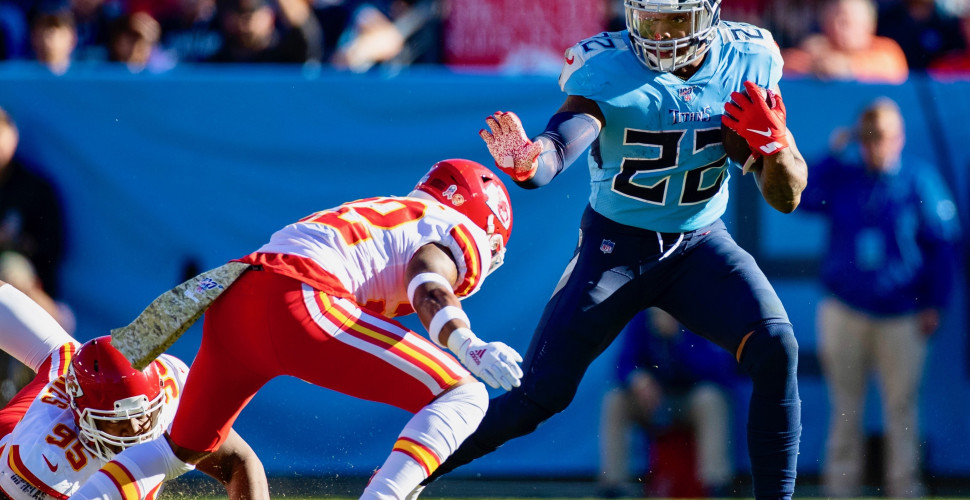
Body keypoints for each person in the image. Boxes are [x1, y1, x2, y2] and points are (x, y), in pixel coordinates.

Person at [417, 1, 809, 499]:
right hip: (615, 250)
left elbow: (787, 195)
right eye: (649, 19)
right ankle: (406, 471)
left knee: (776, 347)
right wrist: (527, 160)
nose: (660, 35)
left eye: (674, 20)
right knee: (536, 397)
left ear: (707, 17)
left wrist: (778, 148)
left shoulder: (748, 59)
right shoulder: (607, 68)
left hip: (700, 242)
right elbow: (555, 152)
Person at [66, 159, 523, 500]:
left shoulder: (396, 210)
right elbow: (428, 281)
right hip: (301, 297)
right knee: (464, 393)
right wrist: (467, 343)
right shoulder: (450, 229)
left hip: (236, 296)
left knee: (178, 452)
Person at [799, 98, 961, 498]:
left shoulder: (919, 180)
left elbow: (943, 247)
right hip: (845, 309)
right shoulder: (845, 176)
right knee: (845, 406)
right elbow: (801, 199)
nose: (876, 147)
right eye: (868, 138)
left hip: (902, 313)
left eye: (884, 138)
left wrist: (934, 304)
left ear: (899, 138)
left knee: (902, 408)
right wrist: (834, 154)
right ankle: (840, 489)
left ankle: (904, 487)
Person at [0, 279, 270, 499]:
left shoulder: (172, 393)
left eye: (144, 415)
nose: (137, 429)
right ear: (80, 414)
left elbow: (238, 463)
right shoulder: (43, 461)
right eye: (119, 423)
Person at [598, 308, 738, 498]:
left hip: (688, 401)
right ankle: (614, 485)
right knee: (616, 400)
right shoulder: (643, 317)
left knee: (710, 398)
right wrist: (638, 379)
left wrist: (677, 339)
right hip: (652, 401)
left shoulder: (701, 314)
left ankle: (716, 483)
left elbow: (718, 370)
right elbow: (623, 362)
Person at [782, 0, 908, 83]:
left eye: (845, 21)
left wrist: (848, 67)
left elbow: (893, 68)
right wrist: (814, 65)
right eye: (832, 20)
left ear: (868, 24)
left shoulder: (885, 50)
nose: (838, 27)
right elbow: (781, 66)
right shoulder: (817, 51)